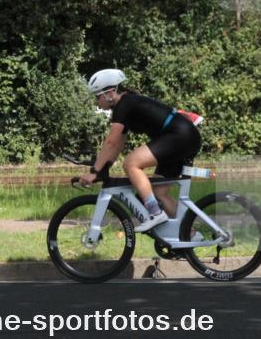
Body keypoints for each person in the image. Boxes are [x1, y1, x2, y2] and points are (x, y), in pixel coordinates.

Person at [79, 69, 202, 232]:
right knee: (159, 193)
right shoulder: (126, 106)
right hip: (182, 137)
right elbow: (116, 145)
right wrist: (104, 168)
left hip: (180, 136)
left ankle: (155, 213)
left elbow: (110, 142)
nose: (96, 102)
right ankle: (191, 235)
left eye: (97, 96)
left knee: (131, 163)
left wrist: (95, 171)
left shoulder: (124, 105)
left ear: (109, 93)